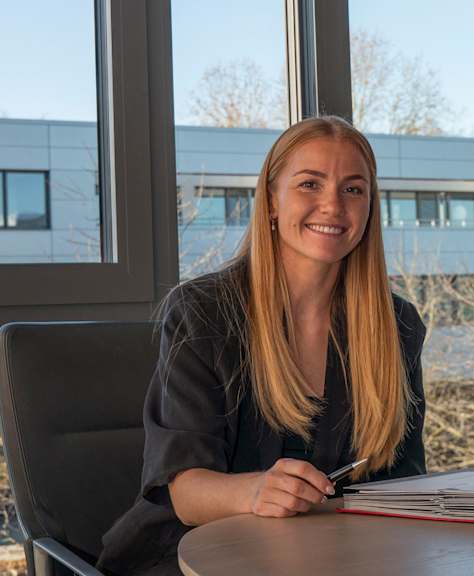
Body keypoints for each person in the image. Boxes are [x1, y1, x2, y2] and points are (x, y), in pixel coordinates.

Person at [98, 116, 426, 575]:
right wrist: (254, 492)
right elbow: (185, 491)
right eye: (310, 184)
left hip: (333, 558)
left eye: (353, 189)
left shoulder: (397, 324)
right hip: (188, 556)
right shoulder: (203, 312)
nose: (333, 205)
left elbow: (402, 479)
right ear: (272, 200)